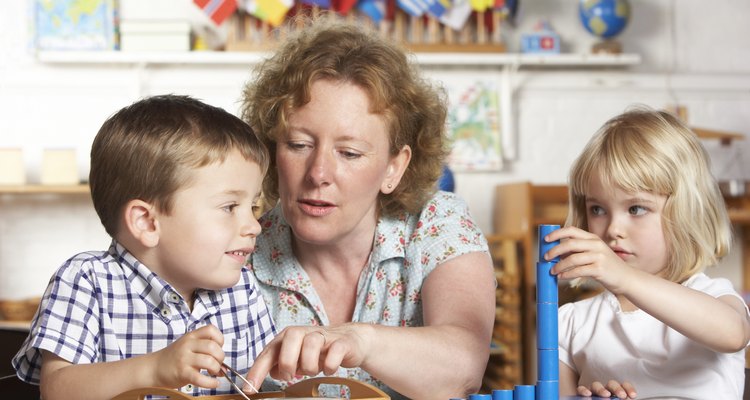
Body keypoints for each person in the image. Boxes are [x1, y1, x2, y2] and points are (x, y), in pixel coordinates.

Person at [239, 15, 496, 400]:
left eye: (350, 152)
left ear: (394, 166)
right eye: (298, 145)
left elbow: (465, 367)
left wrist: (359, 341)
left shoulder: (437, 223)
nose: (318, 173)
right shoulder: (239, 243)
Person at [12, 94, 276, 400]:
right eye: (230, 207)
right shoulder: (87, 281)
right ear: (147, 223)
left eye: (254, 207)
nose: (254, 226)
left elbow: (263, 387)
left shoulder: (243, 290)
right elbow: (58, 390)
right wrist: (153, 369)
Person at [544, 107, 750, 399]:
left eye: (636, 208)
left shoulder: (713, 297)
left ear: (686, 213)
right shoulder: (570, 323)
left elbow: (734, 335)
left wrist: (623, 277)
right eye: (598, 209)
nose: (614, 228)